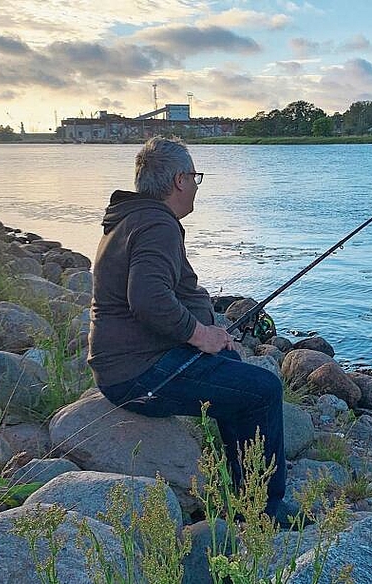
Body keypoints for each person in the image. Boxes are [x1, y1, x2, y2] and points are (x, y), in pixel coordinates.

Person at [88, 136, 296, 525]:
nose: (198, 185)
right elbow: (147, 298)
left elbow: (156, 296)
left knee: (231, 365)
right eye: (196, 177)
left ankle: (244, 492)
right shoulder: (156, 224)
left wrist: (210, 337)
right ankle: (265, 513)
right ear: (180, 180)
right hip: (138, 374)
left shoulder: (134, 218)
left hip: (131, 362)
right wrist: (201, 334)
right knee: (264, 390)